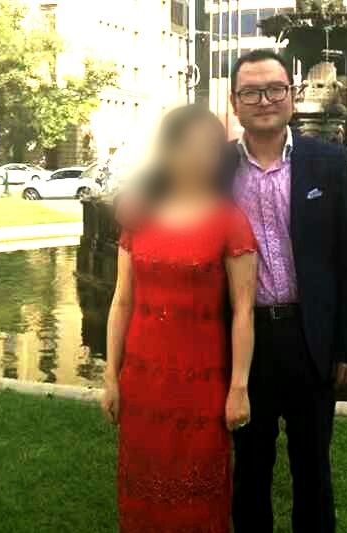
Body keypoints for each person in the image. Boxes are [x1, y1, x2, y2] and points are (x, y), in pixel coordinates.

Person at [225, 49, 347, 533]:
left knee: (313, 469)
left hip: (311, 340)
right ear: (234, 101)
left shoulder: (328, 163)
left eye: (275, 89)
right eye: (251, 91)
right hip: (246, 346)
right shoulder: (217, 169)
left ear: (291, 95)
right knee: (249, 470)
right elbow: (163, 189)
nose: (264, 99)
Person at [102, 104, 258, 533]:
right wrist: (111, 376)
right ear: (166, 152)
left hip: (201, 387)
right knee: (143, 496)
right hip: (143, 385)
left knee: (198, 500)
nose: (196, 157)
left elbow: (244, 311)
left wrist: (238, 389)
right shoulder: (139, 216)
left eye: (207, 147)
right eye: (184, 146)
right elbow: (121, 302)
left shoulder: (231, 221)